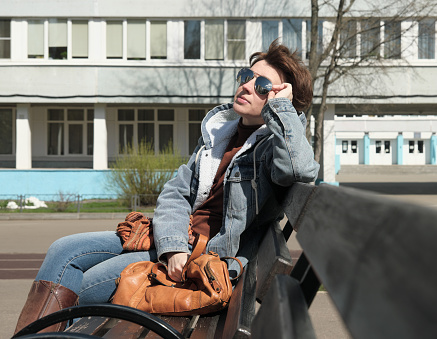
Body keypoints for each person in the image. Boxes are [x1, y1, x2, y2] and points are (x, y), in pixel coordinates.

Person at [14, 40, 319, 334]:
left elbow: (300, 170)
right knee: (63, 249)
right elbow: (176, 192)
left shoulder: (271, 149)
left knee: (85, 286)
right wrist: (172, 245)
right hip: (173, 240)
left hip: (202, 258)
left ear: (281, 99)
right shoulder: (221, 134)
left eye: (263, 86)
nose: (247, 86)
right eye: (246, 77)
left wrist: (282, 109)